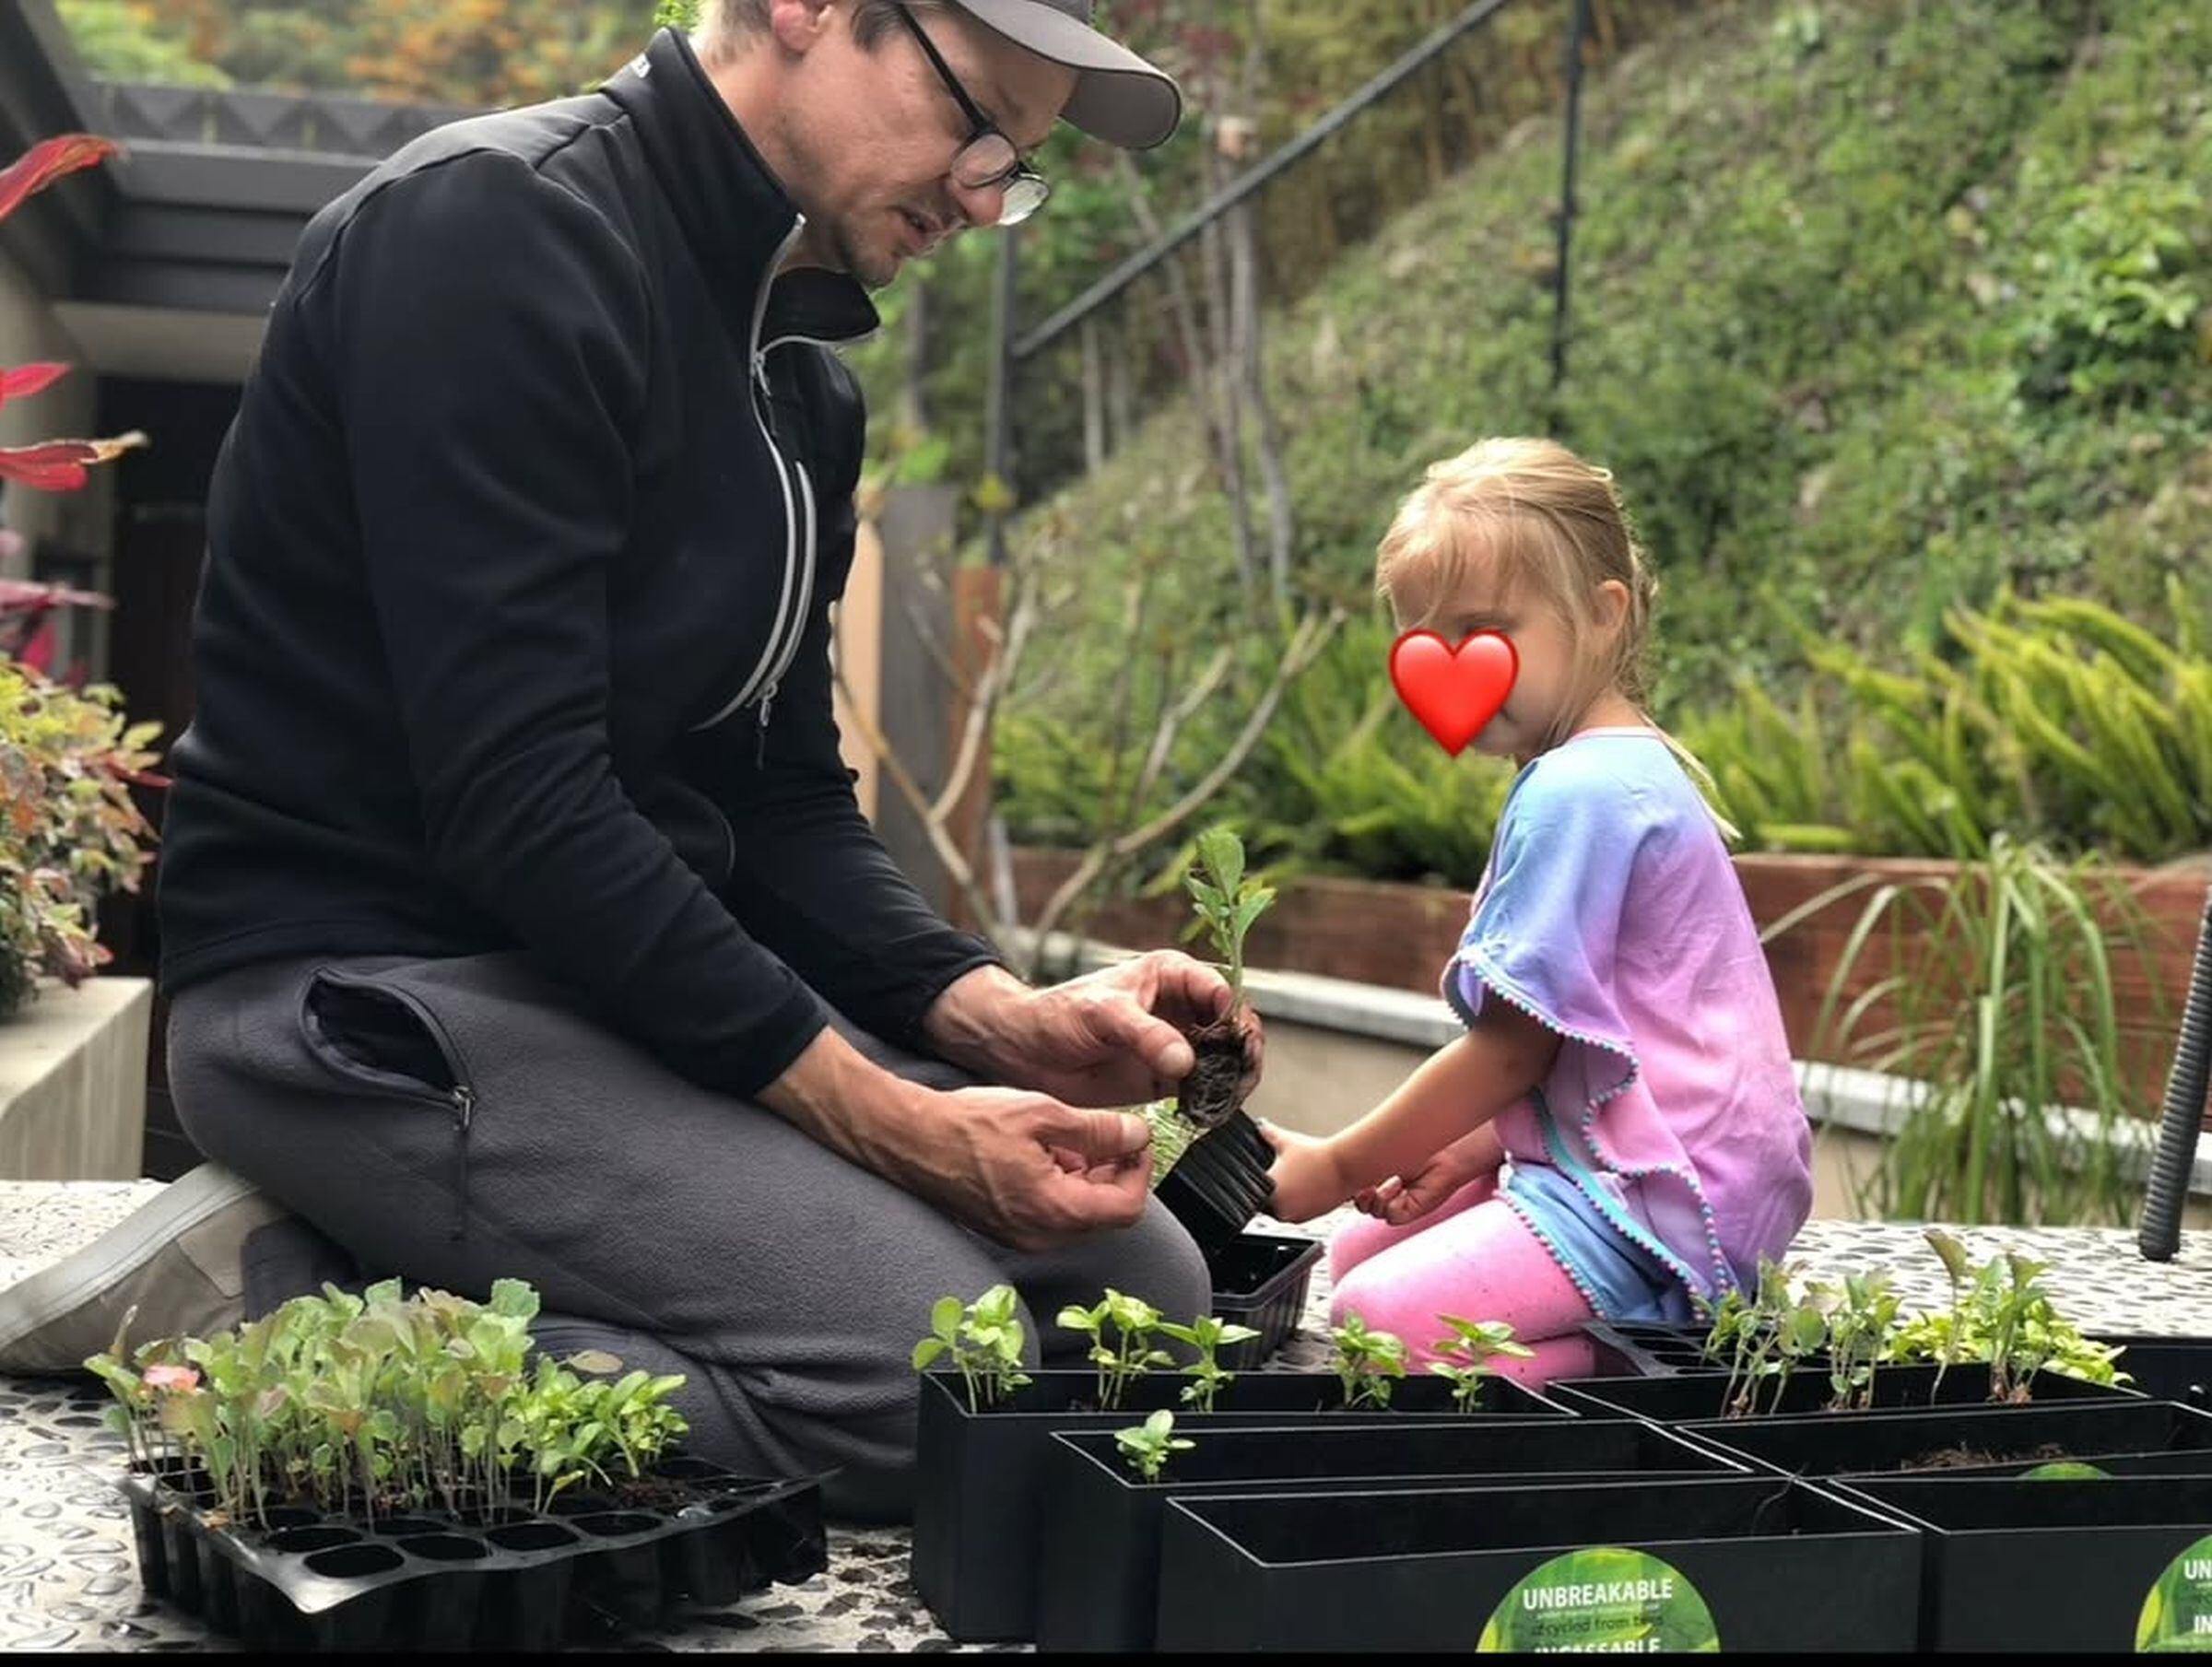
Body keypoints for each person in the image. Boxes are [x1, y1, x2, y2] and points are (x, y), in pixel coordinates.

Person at [0, 0, 1262, 1523]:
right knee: (929, 1371)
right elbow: (520, 801)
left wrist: (994, 1015)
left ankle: (427, 1264)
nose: (988, 195)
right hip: (360, 989)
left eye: (1024, 163)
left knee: (1144, 1291)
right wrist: (896, 1114)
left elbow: (783, 797)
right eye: (980, 119)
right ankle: (281, 1311)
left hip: (602, 991)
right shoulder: (493, 234)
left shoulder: (800, 382)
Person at [1261, 437, 1812, 1382]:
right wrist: (1476, 1142)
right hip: (1675, 1165)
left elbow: (1517, 1047)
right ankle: (1638, 1340)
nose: (1451, 659)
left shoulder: (1579, 792)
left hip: (1663, 1197)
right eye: (1423, 634)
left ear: (1603, 616)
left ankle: (1647, 1361)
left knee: (1371, 1321)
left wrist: (1336, 1165)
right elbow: (1592, 1028)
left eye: (1485, 627)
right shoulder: (1619, 763)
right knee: (1361, 1258)